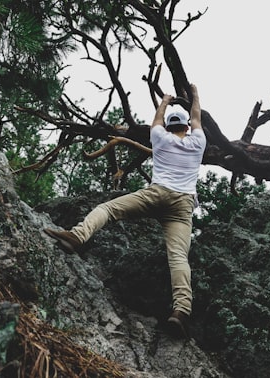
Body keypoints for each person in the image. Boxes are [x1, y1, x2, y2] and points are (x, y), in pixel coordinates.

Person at [44, 84, 206, 339]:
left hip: (157, 192)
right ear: (186, 127)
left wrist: (164, 100)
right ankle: (181, 312)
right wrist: (195, 95)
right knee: (178, 257)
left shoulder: (160, 137)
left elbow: (156, 119)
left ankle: (77, 236)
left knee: (108, 208)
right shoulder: (198, 141)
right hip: (182, 203)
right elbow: (197, 115)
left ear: (169, 126)